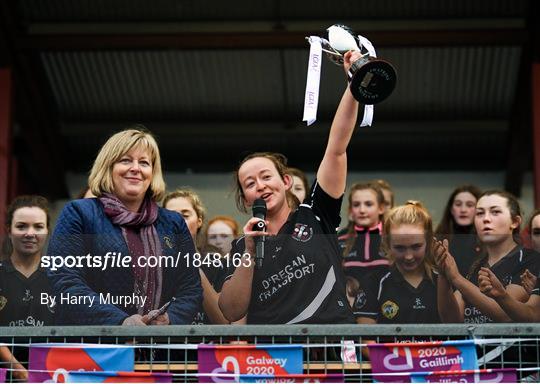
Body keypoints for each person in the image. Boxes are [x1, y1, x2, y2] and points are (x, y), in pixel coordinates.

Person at [218, 50, 362, 324]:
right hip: (279, 358)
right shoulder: (242, 246)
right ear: (246, 199)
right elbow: (230, 310)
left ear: (285, 182)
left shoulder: (315, 214)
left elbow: (336, 150)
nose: (260, 186)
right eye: (250, 183)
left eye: (266, 176)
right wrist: (249, 252)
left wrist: (353, 88)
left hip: (333, 346)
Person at [47, 127, 202, 325]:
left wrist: (169, 319)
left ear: (152, 173)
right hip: (96, 348)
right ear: (108, 167)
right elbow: (65, 281)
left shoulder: (173, 223)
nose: (136, 168)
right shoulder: (79, 213)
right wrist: (121, 323)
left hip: (162, 348)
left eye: (144, 163)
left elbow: (191, 288)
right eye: (125, 160)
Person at [436, 190, 540, 323]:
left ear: (515, 222)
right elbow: (451, 321)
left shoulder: (530, 259)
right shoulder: (472, 265)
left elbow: (504, 315)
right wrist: (443, 273)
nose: (485, 219)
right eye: (479, 213)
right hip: (473, 344)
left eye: (495, 212)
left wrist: (456, 278)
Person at [355, 201, 441, 324]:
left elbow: (455, 326)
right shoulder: (373, 283)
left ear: (428, 241)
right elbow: (366, 338)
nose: (408, 256)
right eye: (400, 248)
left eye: (416, 246)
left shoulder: (441, 280)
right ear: (387, 244)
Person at [0, 195, 54, 381]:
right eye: (21, 226)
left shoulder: (62, 278)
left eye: (38, 227)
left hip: (50, 375)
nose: (30, 233)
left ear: (47, 231)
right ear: (8, 230)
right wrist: (21, 372)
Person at [163, 189, 230, 324]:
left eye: (185, 216)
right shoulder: (152, 263)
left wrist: (190, 262)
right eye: (171, 216)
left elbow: (224, 320)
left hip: (207, 343)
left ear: (199, 221)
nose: (177, 222)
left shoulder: (216, 263)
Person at [338, 182, 389, 304]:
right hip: (350, 308)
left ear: (381, 208)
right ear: (350, 210)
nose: (362, 210)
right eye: (356, 205)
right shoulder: (339, 239)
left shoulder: (393, 238)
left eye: (369, 204)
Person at [435, 185, 482, 276]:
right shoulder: (438, 239)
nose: (463, 210)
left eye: (469, 205)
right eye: (458, 204)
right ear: (451, 210)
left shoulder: (487, 241)